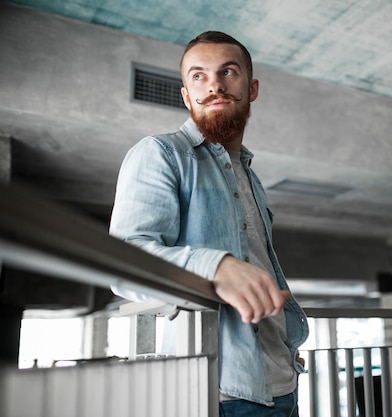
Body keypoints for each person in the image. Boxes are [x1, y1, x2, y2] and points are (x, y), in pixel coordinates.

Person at [109, 31, 309, 416]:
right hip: (218, 393)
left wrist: (286, 351)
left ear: (251, 88)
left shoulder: (250, 176)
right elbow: (124, 263)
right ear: (186, 95)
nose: (214, 84)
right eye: (198, 76)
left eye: (227, 72)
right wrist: (216, 265)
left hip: (283, 382)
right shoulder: (161, 153)